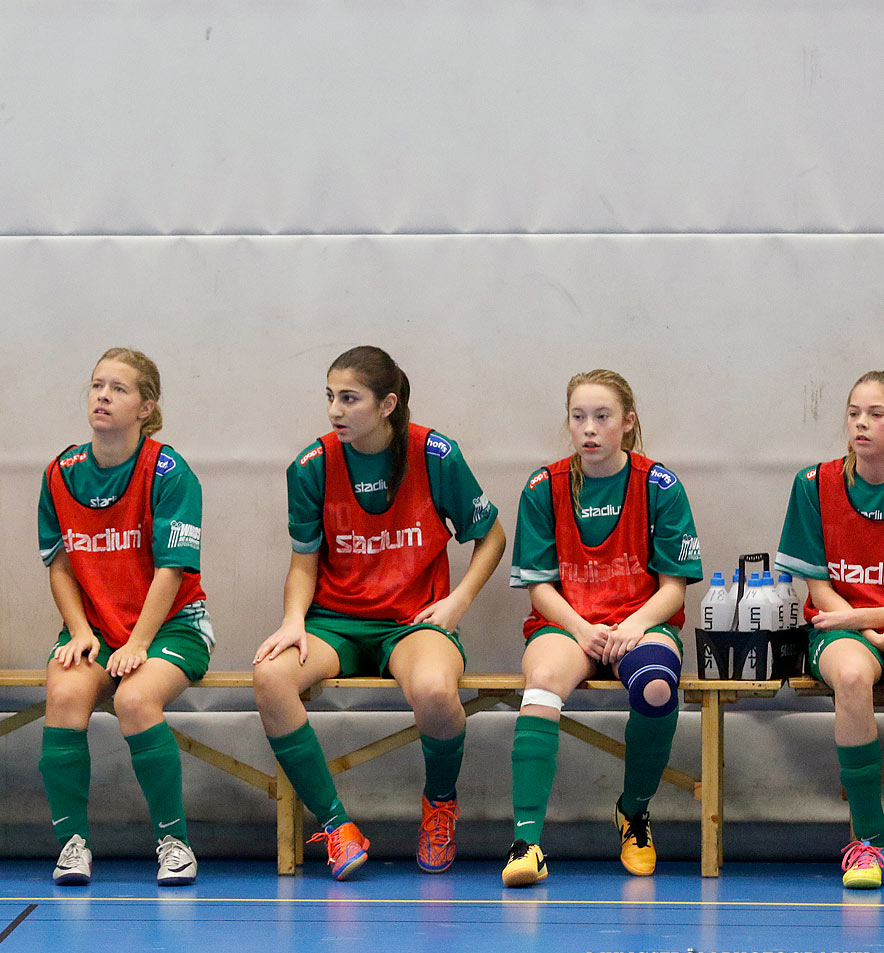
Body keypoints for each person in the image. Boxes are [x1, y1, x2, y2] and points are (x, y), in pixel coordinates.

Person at [252, 346, 505, 880]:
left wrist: (456, 603)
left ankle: (440, 806)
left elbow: (492, 537)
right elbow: (304, 564)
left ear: (387, 403)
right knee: (270, 677)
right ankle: (336, 825)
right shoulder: (312, 466)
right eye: (329, 397)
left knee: (437, 691)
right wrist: (293, 619)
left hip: (411, 622)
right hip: (335, 622)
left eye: (349, 398)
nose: (335, 411)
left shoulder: (435, 455)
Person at [502, 369, 701, 887]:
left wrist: (630, 627)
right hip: (567, 625)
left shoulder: (658, 484)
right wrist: (582, 627)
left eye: (602, 417)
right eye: (578, 417)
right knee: (542, 684)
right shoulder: (543, 485)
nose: (589, 428)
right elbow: (539, 587)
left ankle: (633, 812)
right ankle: (526, 843)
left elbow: (674, 588)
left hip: (641, 619)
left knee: (658, 686)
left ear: (628, 422)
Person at [37, 347, 212, 886]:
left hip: (172, 626)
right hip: (96, 630)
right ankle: (72, 844)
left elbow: (172, 570)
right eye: (96, 386)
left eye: (118, 388)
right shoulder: (61, 472)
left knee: (135, 698)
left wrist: (138, 642)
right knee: (64, 693)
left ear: (146, 406)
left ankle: (175, 841)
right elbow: (60, 565)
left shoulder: (169, 470)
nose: (102, 396)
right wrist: (83, 631)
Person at [777, 371, 884, 889]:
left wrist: (862, 619)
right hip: (839, 629)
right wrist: (857, 627)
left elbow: (849, 614)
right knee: (852, 676)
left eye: (877, 415)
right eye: (854, 413)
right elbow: (819, 591)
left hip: (855, 620)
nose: (861, 424)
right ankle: (869, 842)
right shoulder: (813, 484)